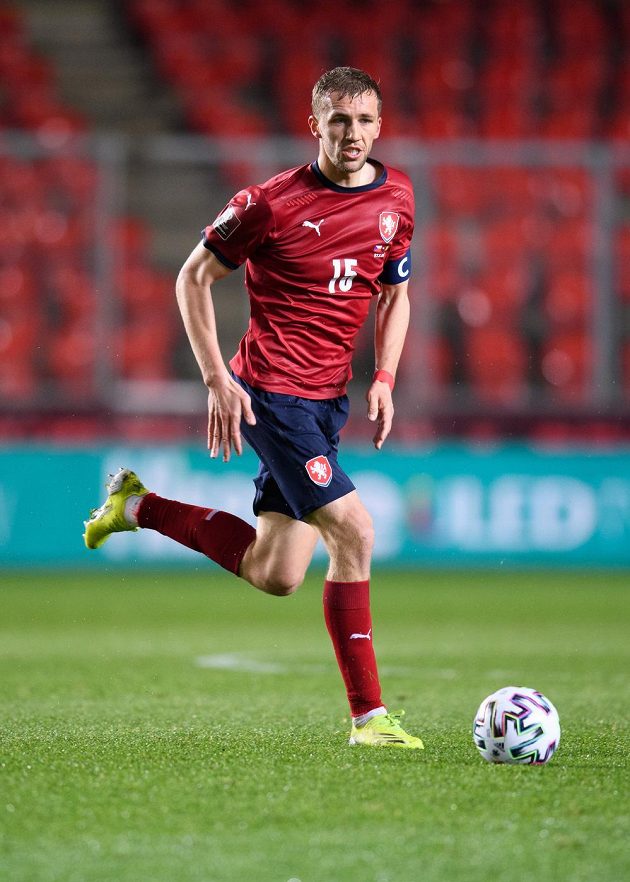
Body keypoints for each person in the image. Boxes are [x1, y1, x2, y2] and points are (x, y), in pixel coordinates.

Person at [84, 67, 423, 750]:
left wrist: (384, 375)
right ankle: (369, 719)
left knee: (276, 574)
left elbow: (392, 292)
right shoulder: (270, 204)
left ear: (379, 126)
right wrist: (216, 378)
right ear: (314, 124)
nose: (350, 133)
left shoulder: (398, 197)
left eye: (362, 121)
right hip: (272, 394)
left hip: (329, 401)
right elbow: (193, 277)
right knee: (354, 533)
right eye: (337, 120)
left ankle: (138, 506)